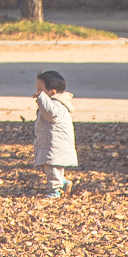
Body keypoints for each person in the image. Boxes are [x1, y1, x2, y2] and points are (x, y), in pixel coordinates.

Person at [33, 70, 77, 198]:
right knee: (46, 167)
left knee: (52, 168)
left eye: (40, 91)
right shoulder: (50, 104)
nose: (37, 94)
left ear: (52, 92)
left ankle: (54, 192)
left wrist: (41, 98)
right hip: (48, 142)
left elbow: (50, 113)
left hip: (55, 145)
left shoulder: (57, 105)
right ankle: (63, 183)